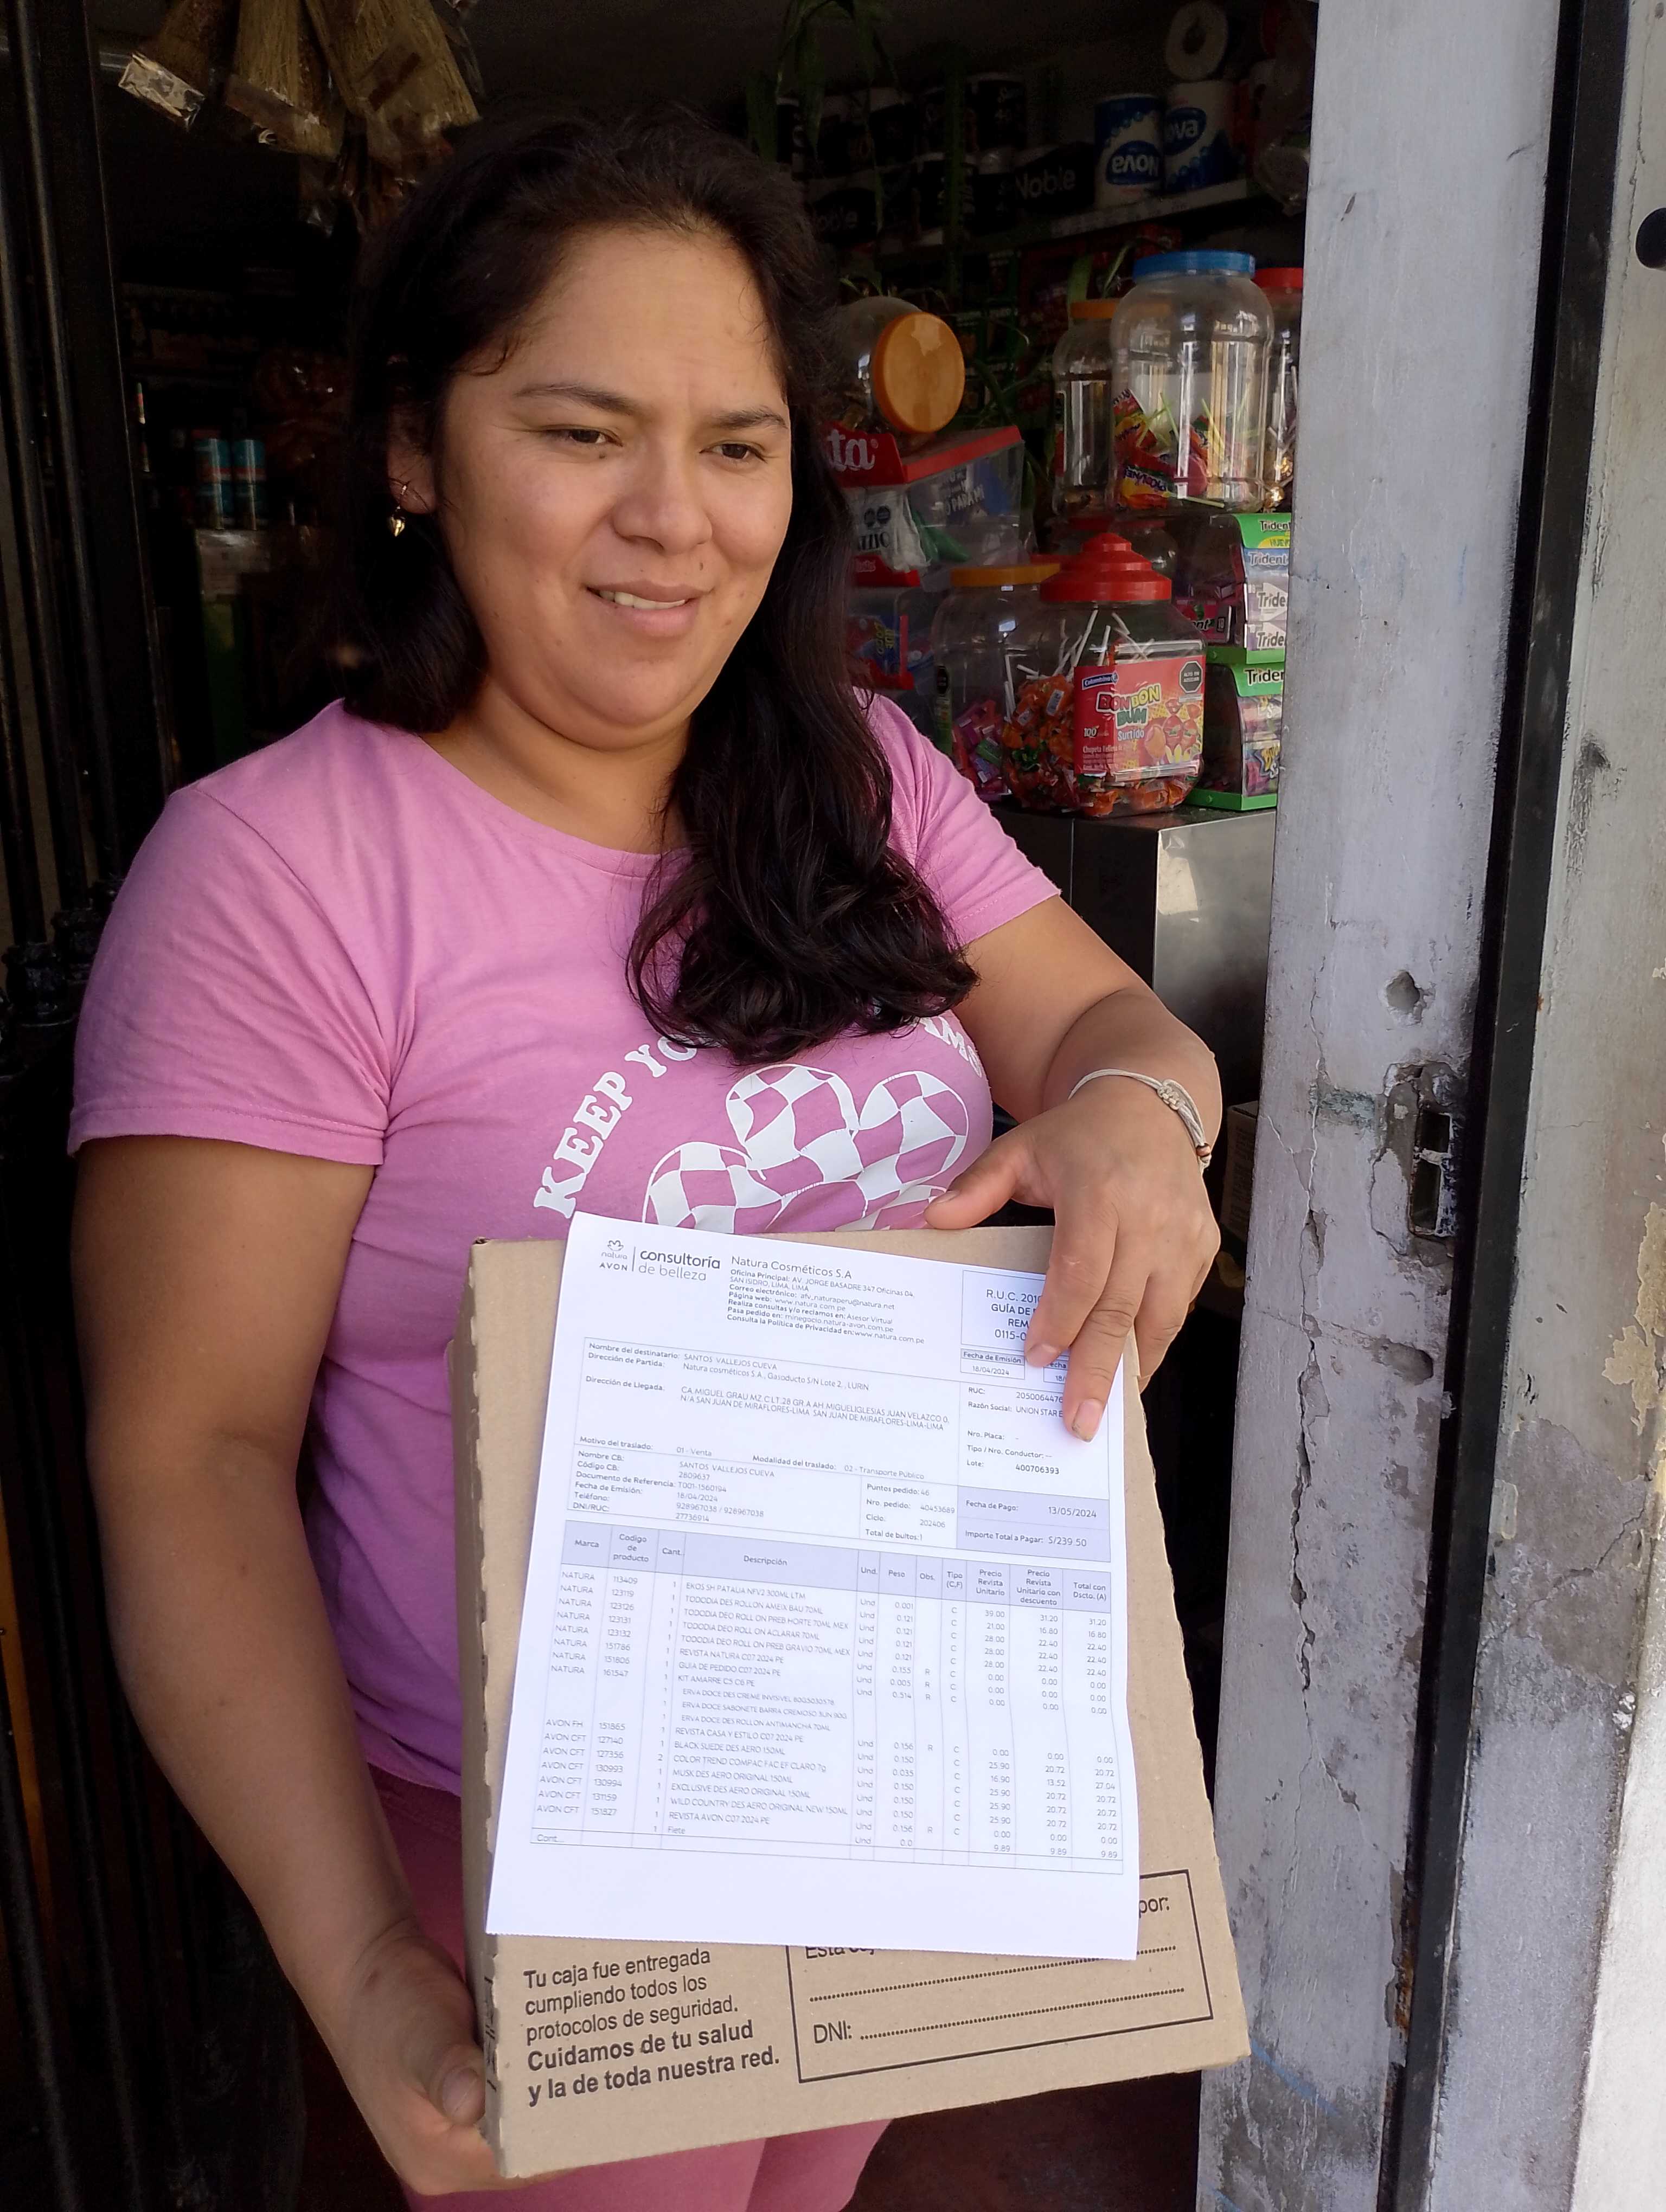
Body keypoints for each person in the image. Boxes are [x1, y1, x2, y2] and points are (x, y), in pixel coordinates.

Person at [69, 111, 1221, 2209]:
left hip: (901, 1752)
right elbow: (190, 1456)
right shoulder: (279, 879)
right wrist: (366, 1965)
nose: (673, 520)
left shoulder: (863, 777)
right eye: (583, 432)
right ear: (416, 450)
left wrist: (1143, 1121)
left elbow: (1109, 1031)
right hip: (546, 1838)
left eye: (737, 444)